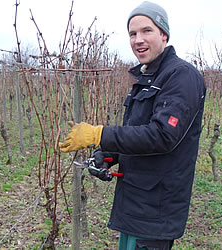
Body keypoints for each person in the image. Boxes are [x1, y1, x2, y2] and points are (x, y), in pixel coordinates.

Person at [59, 1, 206, 249]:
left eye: (146, 31)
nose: (138, 39)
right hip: (136, 201)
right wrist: (107, 155)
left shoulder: (181, 76)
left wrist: (99, 134)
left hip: (156, 207)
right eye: (132, 33)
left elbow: (162, 135)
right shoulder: (148, 76)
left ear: (163, 34)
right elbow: (138, 128)